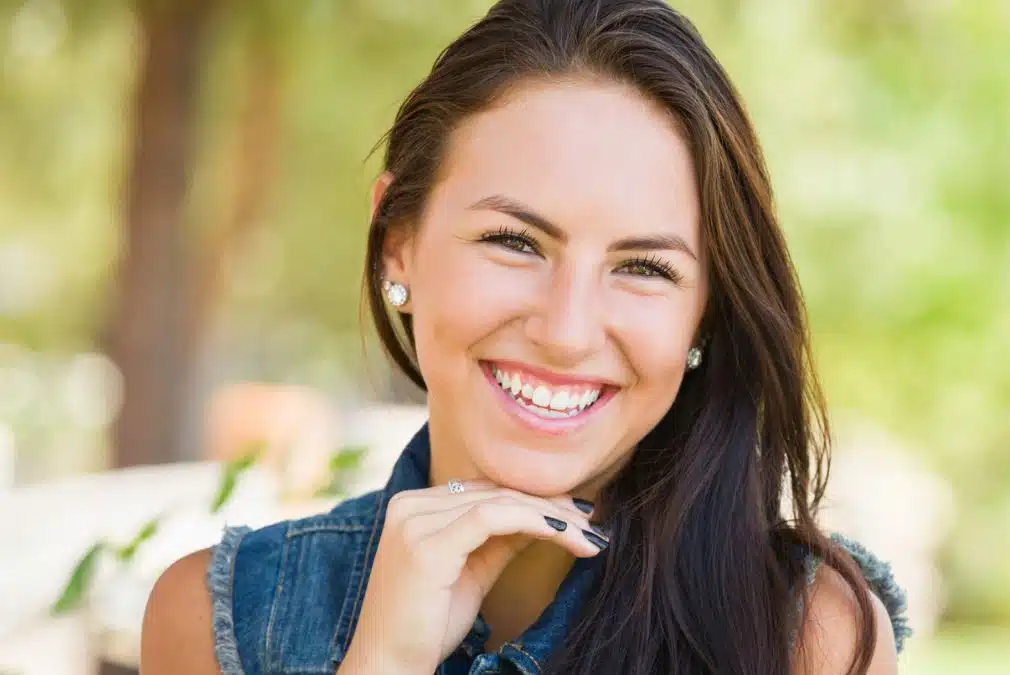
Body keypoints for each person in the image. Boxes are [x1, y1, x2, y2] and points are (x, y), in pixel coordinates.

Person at [140, 0, 910, 673]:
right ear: (395, 241)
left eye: (643, 266)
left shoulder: (811, 634)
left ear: (704, 311)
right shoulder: (219, 626)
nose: (568, 332)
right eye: (514, 241)